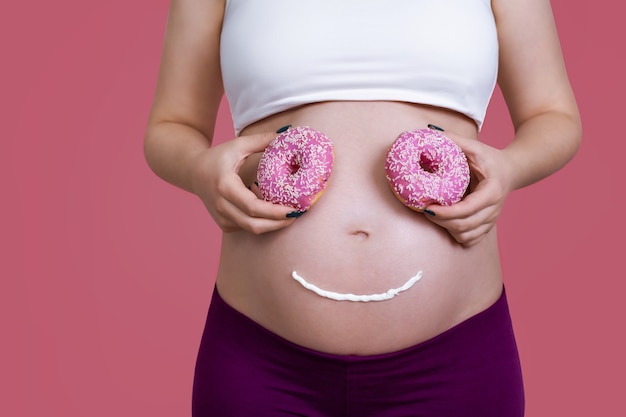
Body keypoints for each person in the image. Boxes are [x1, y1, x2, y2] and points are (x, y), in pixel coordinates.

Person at [144, 0, 581, 415]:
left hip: (453, 360)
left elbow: (554, 115)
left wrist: (510, 168)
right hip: (262, 361)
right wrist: (202, 170)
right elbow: (171, 126)